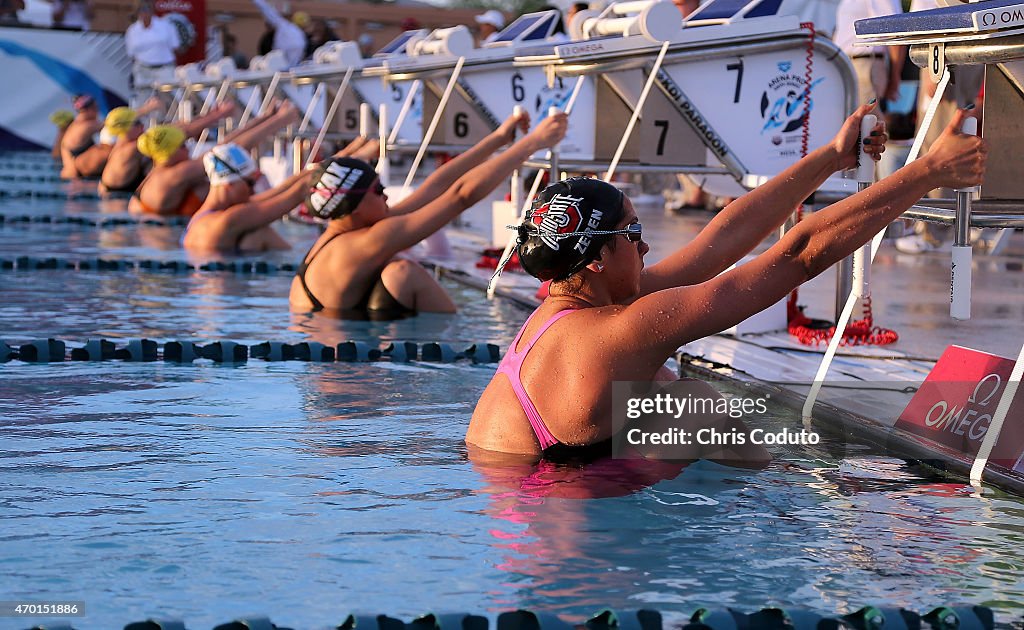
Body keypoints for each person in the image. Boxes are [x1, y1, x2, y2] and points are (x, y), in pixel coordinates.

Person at [466, 103, 987, 462]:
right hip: (581, 557)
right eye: (634, 233)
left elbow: (720, 238)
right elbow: (799, 256)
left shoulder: (567, 312)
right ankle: (782, 505)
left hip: (528, 514)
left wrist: (832, 157)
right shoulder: (618, 331)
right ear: (601, 255)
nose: (646, 247)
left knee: (680, 396)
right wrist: (925, 173)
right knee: (699, 404)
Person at [289, 111, 568, 319]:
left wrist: (498, 140)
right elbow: (461, 196)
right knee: (405, 271)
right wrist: (532, 143)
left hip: (332, 352)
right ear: (355, 203)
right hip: (346, 378)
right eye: (378, 188)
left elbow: (434, 186)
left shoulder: (343, 237)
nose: (386, 193)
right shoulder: (368, 241)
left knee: (399, 269)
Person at [894, 0, 986, 254]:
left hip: (947, 53)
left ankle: (935, 230)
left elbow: (922, 22)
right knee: (956, 142)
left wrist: (932, 69)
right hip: (967, 52)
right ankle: (951, 227)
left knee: (936, 146)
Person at [130, 101, 295, 216]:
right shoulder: (174, 175)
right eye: (183, 145)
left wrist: (266, 117)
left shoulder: (159, 169)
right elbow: (226, 151)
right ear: (170, 151)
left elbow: (225, 144)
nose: (188, 147)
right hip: (166, 238)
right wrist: (280, 120)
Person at [182, 143, 308, 253]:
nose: (253, 191)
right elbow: (296, 195)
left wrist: (309, 172)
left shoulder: (202, 218)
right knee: (260, 234)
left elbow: (278, 192)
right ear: (229, 184)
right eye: (250, 183)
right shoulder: (228, 220)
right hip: (222, 278)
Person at [834, 0, 906, 107]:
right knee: (860, 117)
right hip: (848, 64)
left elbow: (894, 32)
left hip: (864, 65)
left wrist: (895, 76)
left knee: (867, 117)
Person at [125, 0, 181, 90]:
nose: (144, 13)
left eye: (147, 9)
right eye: (141, 10)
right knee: (144, 100)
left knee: (169, 98)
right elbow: (131, 55)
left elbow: (176, 47)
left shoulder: (166, 26)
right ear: (137, 12)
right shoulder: (132, 30)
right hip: (143, 71)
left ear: (152, 10)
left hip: (165, 68)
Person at [59, 94, 107, 180]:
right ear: (88, 109)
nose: (98, 111)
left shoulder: (74, 125)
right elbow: (116, 123)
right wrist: (139, 111)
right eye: (96, 108)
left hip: (69, 174)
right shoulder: (86, 127)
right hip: (76, 177)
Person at [250, 0, 306, 66]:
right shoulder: (299, 33)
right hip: (288, 61)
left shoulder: (283, 25)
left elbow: (268, 11)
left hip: (283, 59)